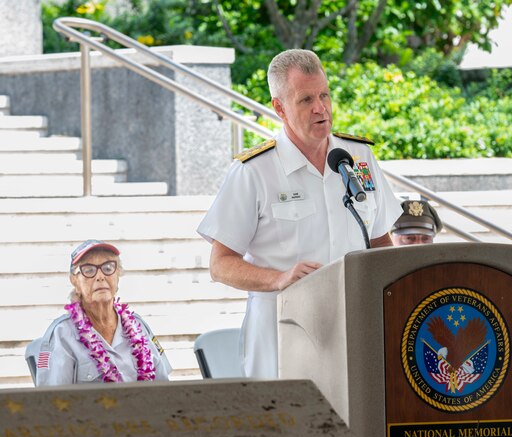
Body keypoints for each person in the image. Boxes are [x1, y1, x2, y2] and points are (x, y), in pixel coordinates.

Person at [197, 49, 402, 379]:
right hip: (284, 335)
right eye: (306, 100)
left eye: (324, 95)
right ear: (279, 107)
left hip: (356, 330)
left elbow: (381, 242)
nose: (321, 108)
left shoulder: (357, 158)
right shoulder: (254, 171)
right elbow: (220, 264)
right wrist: (278, 278)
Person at [36, 240, 171, 385]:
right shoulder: (61, 335)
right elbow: (54, 401)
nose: (100, 276)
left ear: (118, 275)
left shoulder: (139, 327)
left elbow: (164, 388)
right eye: (88, 270)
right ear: (74, 281)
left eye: (108, 268)